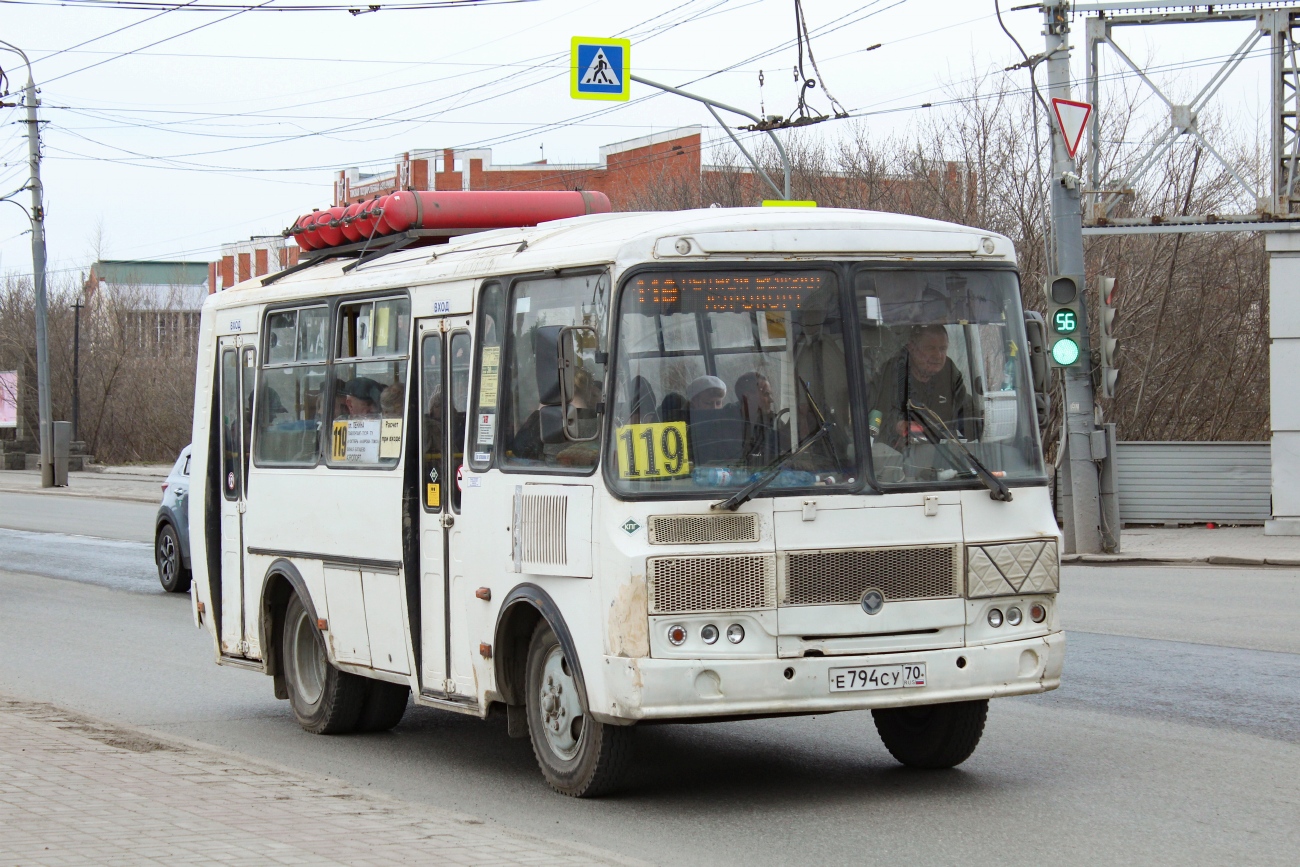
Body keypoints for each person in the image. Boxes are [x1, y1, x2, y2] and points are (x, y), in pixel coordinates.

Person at [871, 324, 974, 447]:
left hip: (944, 454)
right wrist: (898, 425)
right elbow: (877, 412)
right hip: (898, 456)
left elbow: (965, 409)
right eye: (930, 348)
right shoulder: (893, 373)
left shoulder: (949, 372)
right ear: (912, 348)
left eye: (943, 349)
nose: (938, 355)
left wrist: (981, 419)